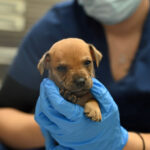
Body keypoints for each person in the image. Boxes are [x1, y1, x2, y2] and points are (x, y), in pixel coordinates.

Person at [0, 0, 150, 149]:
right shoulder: (55, 26)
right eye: (62, 68)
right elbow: (4, 114)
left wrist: (123, 143)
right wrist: (57, 127)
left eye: (86, 63)